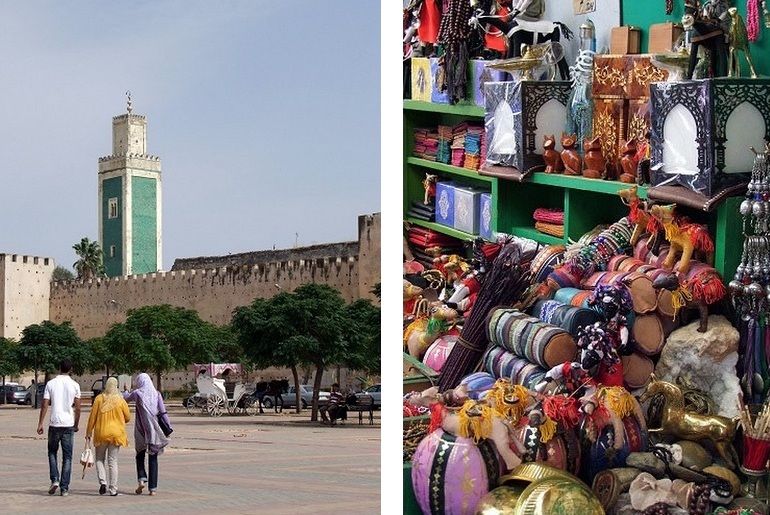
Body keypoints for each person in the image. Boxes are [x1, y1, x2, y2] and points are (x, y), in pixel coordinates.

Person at [36, 359, 81, 497]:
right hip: (68, 423)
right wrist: (76, 423)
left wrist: (40, 423)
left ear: (59, 367)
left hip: (55, 423)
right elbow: (78, 407)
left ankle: (54, 479)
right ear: (71, 369)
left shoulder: (51, 384)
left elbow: (45, 405)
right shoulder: (75, 385)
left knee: (52, 452)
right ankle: (64, 487)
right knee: (67, 457)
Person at [122, 373, 171, 496]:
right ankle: (153, 489)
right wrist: (168, 427)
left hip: (140, 429)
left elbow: (125, 398)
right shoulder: (157, 394)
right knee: (153, 458)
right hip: (154, 430)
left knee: (140, 455)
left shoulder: (137, 393)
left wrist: (126, 389)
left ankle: (141, 479)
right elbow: (163, 412)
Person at [86, 377, 131, 496]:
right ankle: (113, 489)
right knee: (113, 461)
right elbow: (128, 417)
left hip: (101, 433)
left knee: (100, 459)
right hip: (116, 434)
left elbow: (92, 418)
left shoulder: (99, 399)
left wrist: (88, 433)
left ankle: (103, 482)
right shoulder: (121, 400)